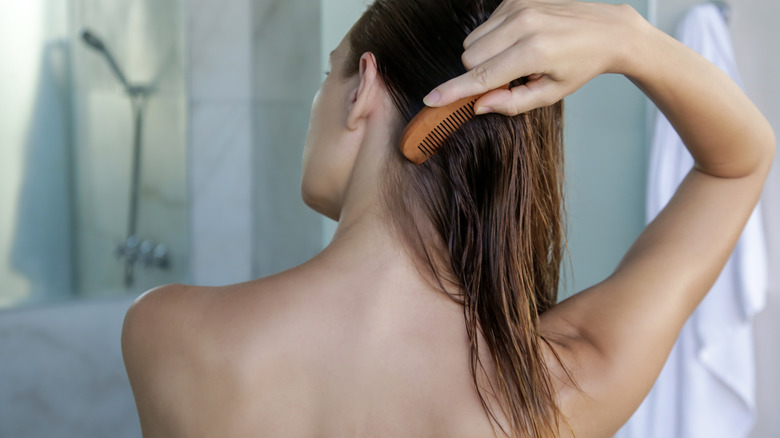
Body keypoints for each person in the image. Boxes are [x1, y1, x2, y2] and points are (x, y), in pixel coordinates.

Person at [120, 0, 776, 436]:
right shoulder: (557, 389)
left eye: (330, 73)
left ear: (362, 88)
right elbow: (741, 161)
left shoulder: (168, 334)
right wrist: (630, 39)